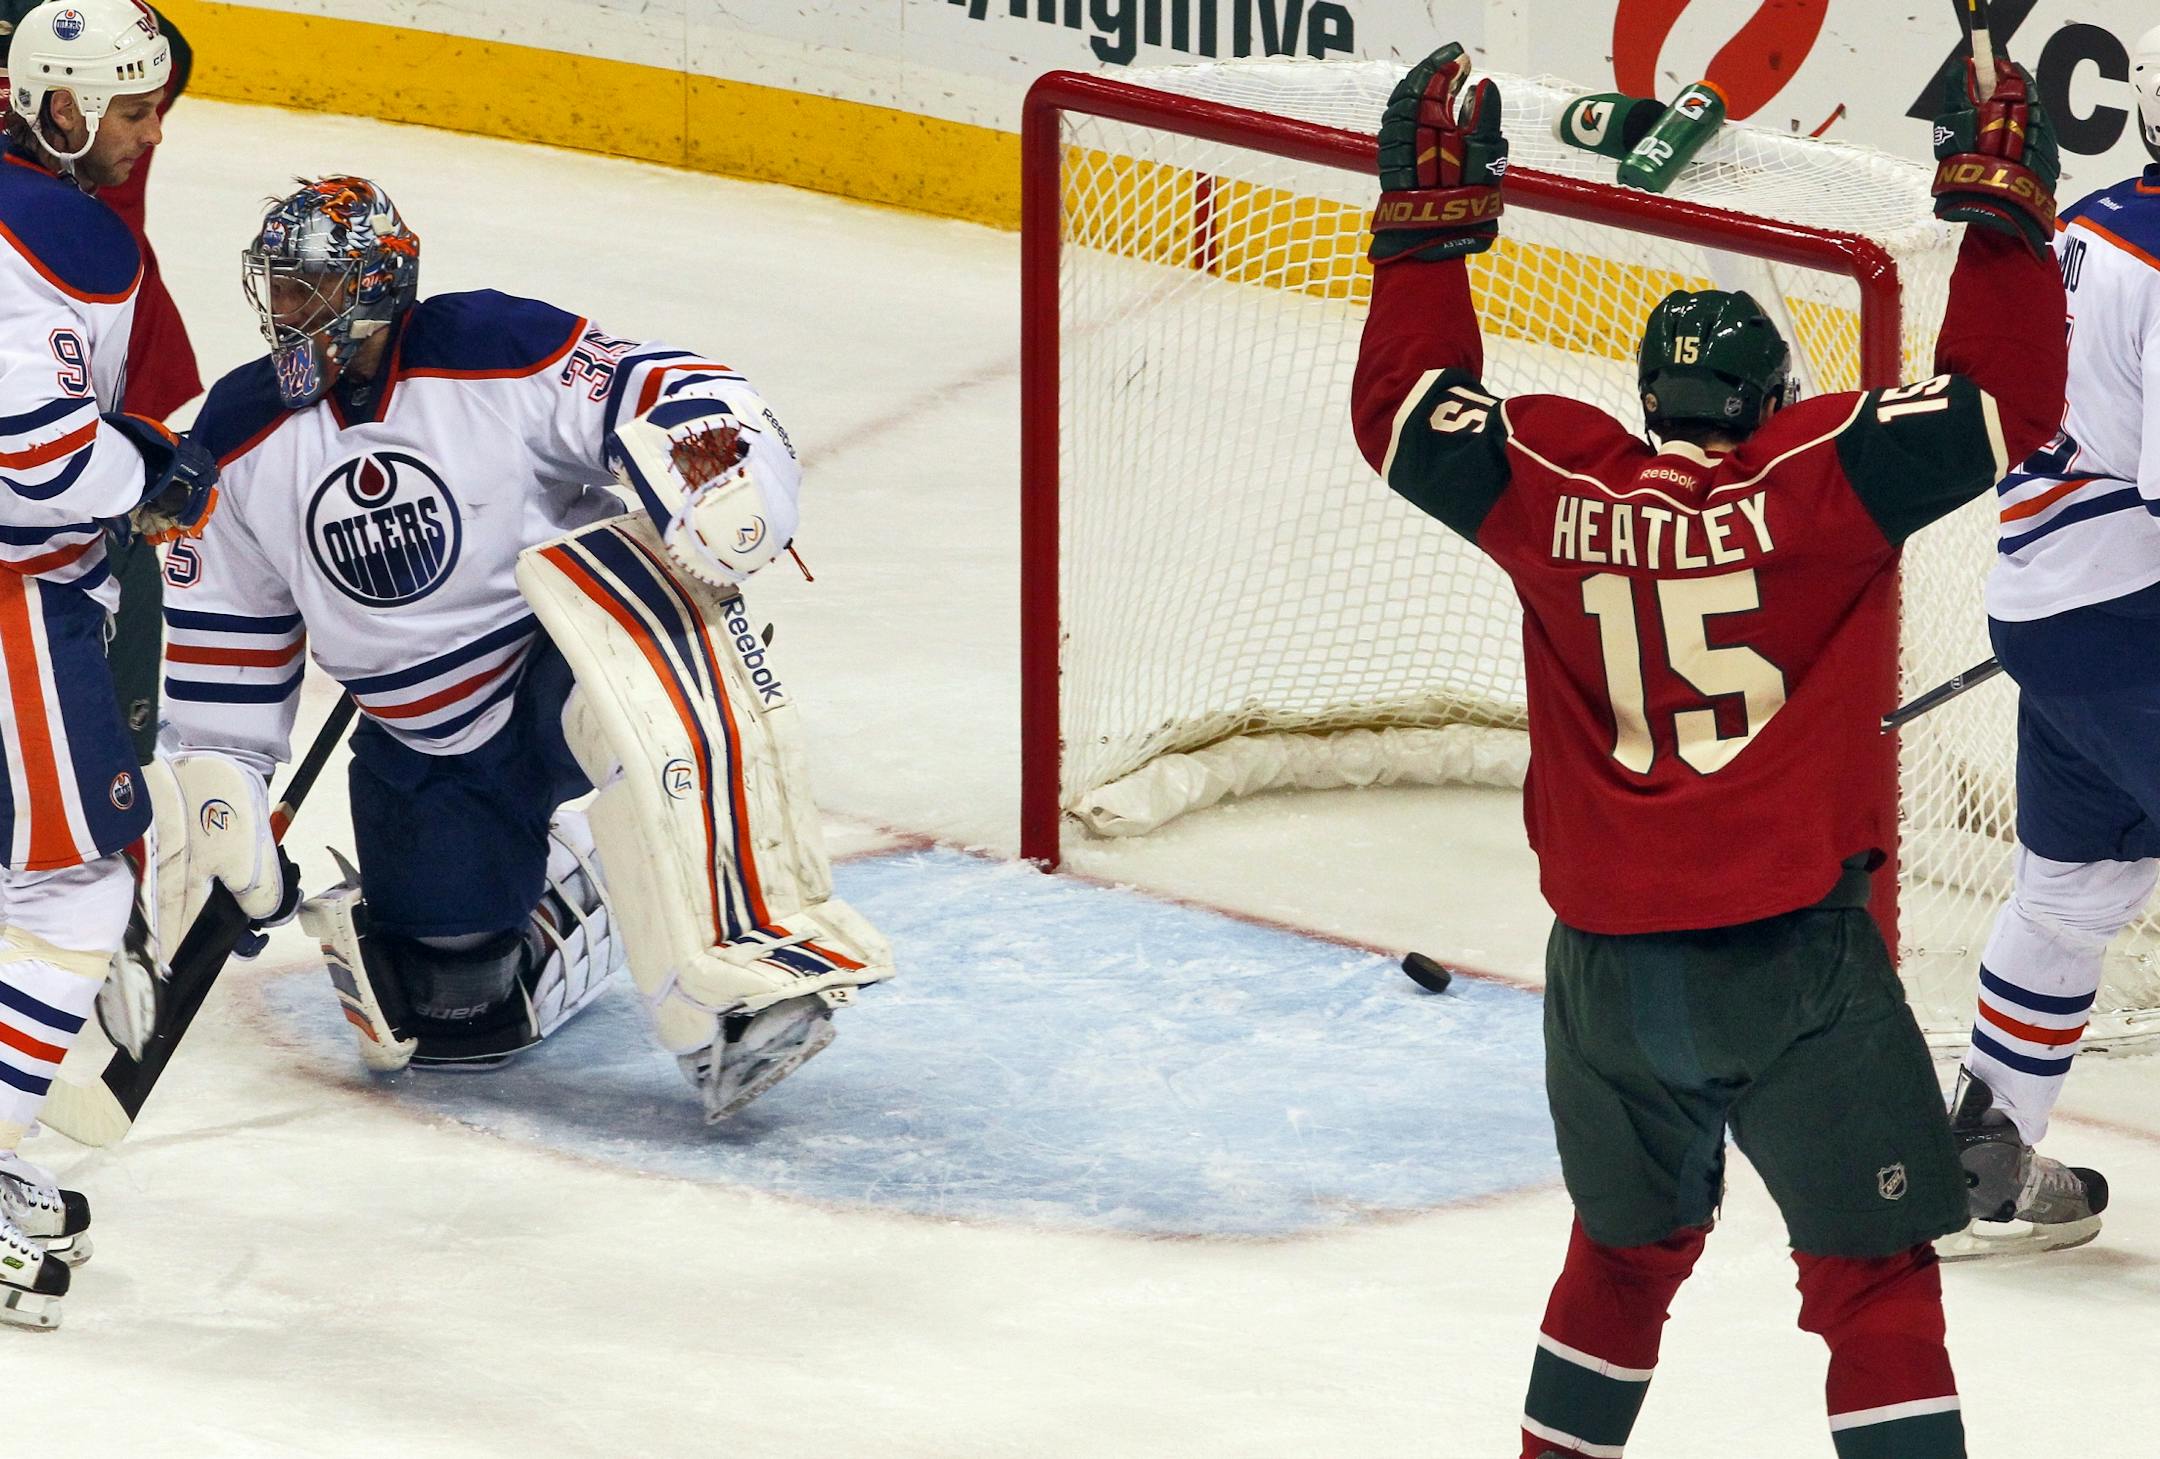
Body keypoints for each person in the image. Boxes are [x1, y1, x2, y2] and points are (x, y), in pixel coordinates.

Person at [1350, 43, 2066, 1459]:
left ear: (1647, 398)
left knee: (1622, 1260)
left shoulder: (1559, 481)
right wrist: (2005, 220)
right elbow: (2000, 406)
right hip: (1790, 968)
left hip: (1604, 977)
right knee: (1870, 1283)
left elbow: (1402, 415)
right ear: (1770, 392)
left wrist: (1425, 238)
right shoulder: (1817, 480)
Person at [163, 176, 891, 1123]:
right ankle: (577, 873)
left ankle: (735, 984)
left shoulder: (490, 346)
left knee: (644, 727)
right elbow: (230, 635)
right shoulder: (237, 434)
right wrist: (230, 796)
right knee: (455, 1010)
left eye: (314, 289)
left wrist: (720, 469)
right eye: (281, 288)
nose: (290, 312)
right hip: (427, 740)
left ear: (378, 288)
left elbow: (662, 387)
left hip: (559, 657)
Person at [0, 0, 215, 1329]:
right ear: (63, 110)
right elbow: (26, 465)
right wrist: (146, 472)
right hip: (17, 600)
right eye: (131, 111)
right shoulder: (51, 234)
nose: (146, 136)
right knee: (78, 882)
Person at [1942, 21, 2160, 1259]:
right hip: (2135, 629)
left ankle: (1978, 1158)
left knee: (2076, 892)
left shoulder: (2085, 218)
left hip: (2046, 613)